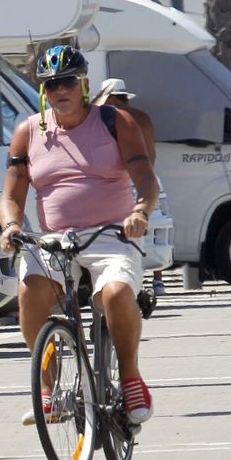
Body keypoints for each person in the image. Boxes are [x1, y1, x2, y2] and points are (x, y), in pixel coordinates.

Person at [0, 46, 161, 425]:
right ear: (43, 90)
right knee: (31, 288)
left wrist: (140, 212)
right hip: (55, 239)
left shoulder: (114, 121)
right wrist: (11, 226)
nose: (60, 90)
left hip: (112, 235)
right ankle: (49, 389)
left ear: (84, 84)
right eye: (51, 83)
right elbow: (10, 195)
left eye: (68, 80)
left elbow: (146, 181)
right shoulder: (29, 131)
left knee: (118, 294)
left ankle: (132, 378)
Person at [95, 78, 166, 309]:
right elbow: (151, 155)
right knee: (144, 232)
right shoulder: (141, 117)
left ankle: (136, 287)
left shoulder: (111, 119)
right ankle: (154, 282)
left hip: (121, 181)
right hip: (144, 178)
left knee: (124, 235)